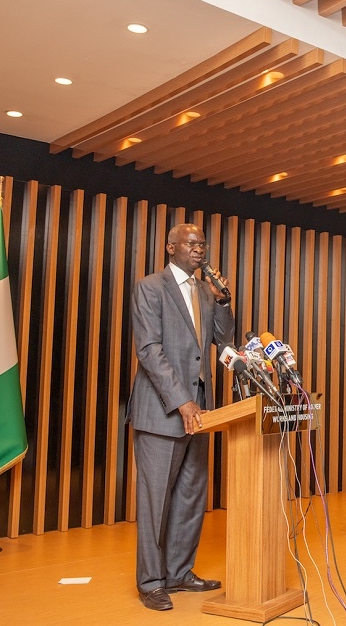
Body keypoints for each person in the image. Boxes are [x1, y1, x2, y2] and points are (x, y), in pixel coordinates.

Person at [128, 223, 234, 611]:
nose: (199, 249)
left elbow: (224, 341)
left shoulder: (205, 292)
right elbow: (149, 350)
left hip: (200, 410)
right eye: (191, 243)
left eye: (203, 243)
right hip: (162, 411)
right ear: (170, 246)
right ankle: (151, 581)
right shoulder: (150, 288)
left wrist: (223, 302)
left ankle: (179, 572)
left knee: (191, 496)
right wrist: (181, 401)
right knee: (155, 501)